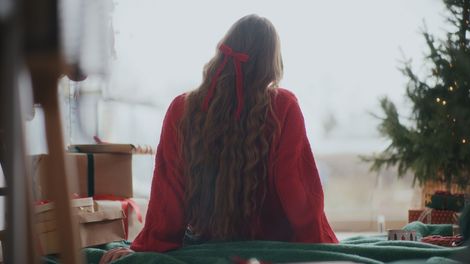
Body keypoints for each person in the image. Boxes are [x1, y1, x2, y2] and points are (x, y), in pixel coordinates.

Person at [99, 14, 338, 264]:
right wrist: (317, 243)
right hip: (271, 246)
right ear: (270, 61)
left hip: (207, 242)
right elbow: (296, 186)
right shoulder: (283, 106)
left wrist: (149, 245)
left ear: (224, 52)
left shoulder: (182, 108)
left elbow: (168, 192)